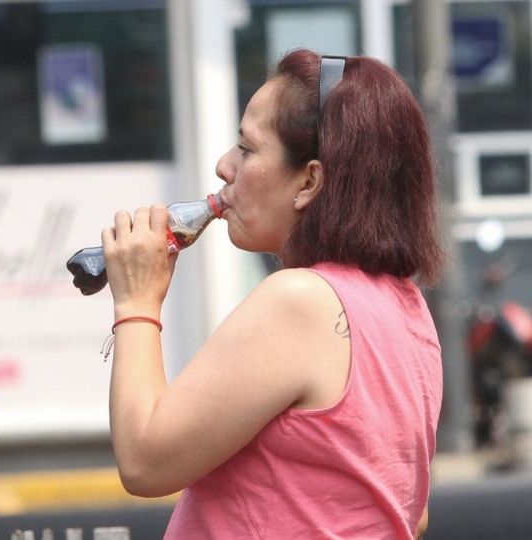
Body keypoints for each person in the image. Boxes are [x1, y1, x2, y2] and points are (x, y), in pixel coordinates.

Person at [101, 49, 442, 539]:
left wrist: (136, 302)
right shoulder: (405, 306)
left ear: (309, 181)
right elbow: (411, 507)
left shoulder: (300, 300)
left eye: (247, 148)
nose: (224, 166)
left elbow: (144, 461)